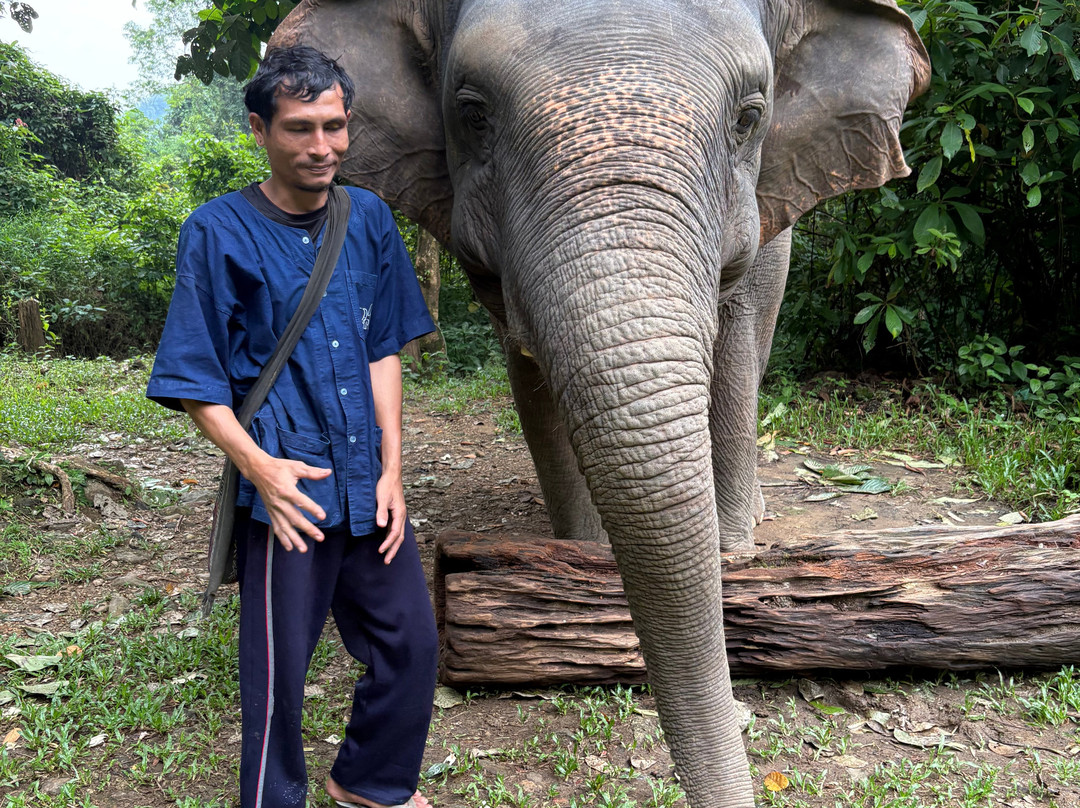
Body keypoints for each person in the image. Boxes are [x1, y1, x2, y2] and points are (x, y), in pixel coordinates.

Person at [146, 46, 437, 808]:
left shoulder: (367, 219)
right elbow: (193, 382)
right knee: (279, 671)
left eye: (335, 126)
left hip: (364, 479)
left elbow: (381, 349)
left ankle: (371, 782)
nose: (322, 147)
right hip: (290, 486)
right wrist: (260, 472)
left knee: (411, 642)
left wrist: (392, 468)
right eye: (301, 128)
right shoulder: (217, 232)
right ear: (258, 129)